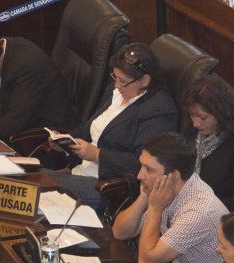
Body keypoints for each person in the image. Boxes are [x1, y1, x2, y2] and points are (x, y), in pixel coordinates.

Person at [47, 43, 178, 210]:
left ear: (145, 80)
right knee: (26, 178)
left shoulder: (158, 109)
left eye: (123, 81)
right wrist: (64, 141)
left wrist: (97, 155)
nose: (116, 85)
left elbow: (144, 164)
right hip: (79, 170)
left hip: (107, 188)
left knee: (36, 186)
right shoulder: (119, 90)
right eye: (115, 77)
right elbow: (91, 127)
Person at [112, 133, 230, 263]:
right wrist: (144, 197)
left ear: (173, 176)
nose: (140, 175)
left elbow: (146, 262)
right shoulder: (168, 189)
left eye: (148, 169)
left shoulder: (199, 211)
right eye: (141, 165)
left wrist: (155, 207)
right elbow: (119, 232)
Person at [180, 75, 234, 213]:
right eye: (192, 114)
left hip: (223, 217)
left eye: (203, 117)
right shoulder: (195, 129)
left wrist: (199, 202)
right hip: (190, 206)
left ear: (222, 113)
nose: (195, 123)